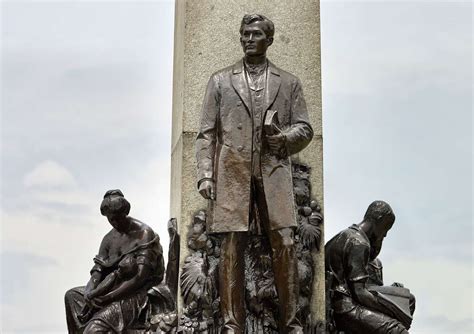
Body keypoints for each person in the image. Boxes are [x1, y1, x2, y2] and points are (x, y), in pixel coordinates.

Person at [196, 14, 313, 334]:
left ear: (269, 40)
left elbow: (305, 128)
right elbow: (206, 133)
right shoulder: (220, 80)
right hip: (233, 172)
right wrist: (206, 174)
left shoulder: (288, 82)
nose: (249, 39)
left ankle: (292, 323)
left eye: (256, 34)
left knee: (286, 242)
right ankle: (232, 324)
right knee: (231, 244)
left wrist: (285, 139)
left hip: (274, 171)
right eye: (245, 34)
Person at [65, 190, 165, 333]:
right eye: (111, 219)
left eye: (118, 218)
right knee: (72, 296)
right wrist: (89, 291)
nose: (115, 222)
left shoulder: (143, 233)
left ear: (126, 212)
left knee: (94, 330)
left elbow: (139, 278)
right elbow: (97, 272)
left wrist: (108, 298)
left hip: (134, 293)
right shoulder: (108, 240)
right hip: (109, 289)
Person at [325, 201, 410, 334]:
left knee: (408, 300)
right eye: (386, 228)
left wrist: (390, 292)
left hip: (342, 303)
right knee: (398, 331)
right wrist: (392, 309)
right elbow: (360, 293)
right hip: (345, 308)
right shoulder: (359, 243)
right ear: (380, 220)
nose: (385, 235)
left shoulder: (347, 235)